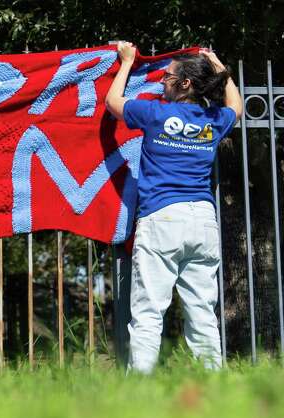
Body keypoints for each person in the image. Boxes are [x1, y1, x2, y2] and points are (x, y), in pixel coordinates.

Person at [104, 42, 243, 373]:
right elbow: (236, 106)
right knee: (202, 311)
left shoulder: (155, 114)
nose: (160, 82)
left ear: (185, 84)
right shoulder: (212, 119)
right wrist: (214, 59)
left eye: (167, 77)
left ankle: (141, 387)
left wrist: (126, 63)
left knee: (148, 311)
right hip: (202, 221)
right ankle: (215, 385)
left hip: (162, 218)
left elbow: (112, 103)